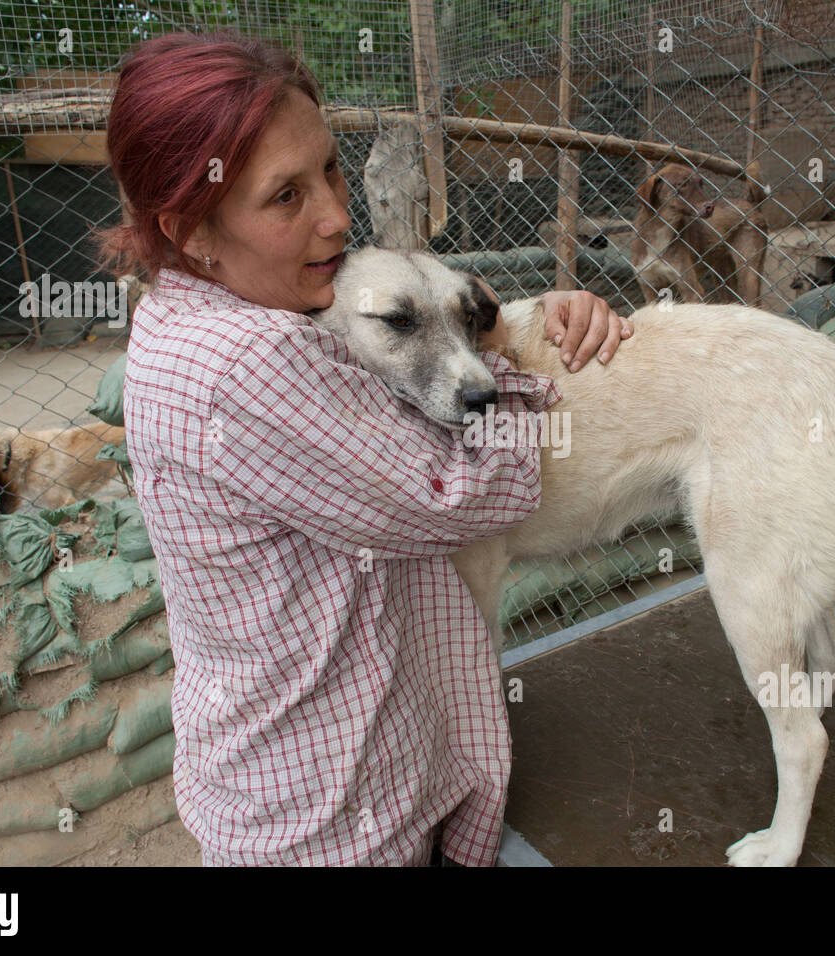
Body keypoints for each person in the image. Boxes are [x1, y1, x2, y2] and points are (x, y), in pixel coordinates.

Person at [98, 31, 632, 866]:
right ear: (192, 228)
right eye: (285, 197)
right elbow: (472, 489)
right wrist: (502, 347)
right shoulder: (251, 362)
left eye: (332, 168)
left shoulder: (184, 316)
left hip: (285, 770)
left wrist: (481, 314)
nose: (337, 215)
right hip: (333, 813)